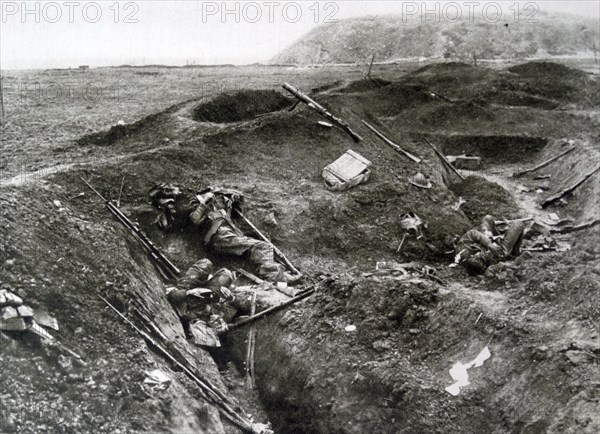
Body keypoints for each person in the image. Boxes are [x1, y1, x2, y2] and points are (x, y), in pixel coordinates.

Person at [149, 183, 300, 284]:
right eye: (170, 191)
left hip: (224, 232)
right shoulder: (180, 209)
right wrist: (204, 202)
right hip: (217, 235)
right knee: (262, 246)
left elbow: (233, 203)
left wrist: (228, 200)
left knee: (257, 243)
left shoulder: (185, 206)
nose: (177, 190)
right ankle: (277, 277)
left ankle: (279, 274)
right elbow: (194, 219)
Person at [165, 258, 239, 347]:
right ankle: (205, 281)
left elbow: (173, 296)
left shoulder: (196, 323)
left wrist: (189, 292)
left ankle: (197, 282)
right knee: (227, 275)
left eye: (217, 323)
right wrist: (231, 298)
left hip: (188, 294)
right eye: (220, 321)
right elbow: (233, 308)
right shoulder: (219, 314)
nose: (218, 320)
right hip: (206, 296)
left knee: (205, 264)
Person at [454, 215, 525, 274]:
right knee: (518, 223)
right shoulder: (488, 264)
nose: (480, 255)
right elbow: (497, 255)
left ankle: (496, 234)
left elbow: (472, 233)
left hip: (487, 241)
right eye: (481, 258)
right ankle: (514, 253)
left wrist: (488, 243)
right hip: (501, 249)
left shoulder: (462, 252)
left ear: (471, 255)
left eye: (478, 256)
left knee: (487, 218)